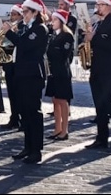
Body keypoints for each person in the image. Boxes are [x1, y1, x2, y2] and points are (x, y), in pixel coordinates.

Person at [2, 0, 49, 164]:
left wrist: (9, 32)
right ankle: (28, 146)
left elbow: (23, 44)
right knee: (25, 113)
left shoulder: (40, 29)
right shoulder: (25, 27)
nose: (24, 15)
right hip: (22, 73)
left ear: (35, 12)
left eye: (26, 12)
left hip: (33, 75)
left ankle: (36, 150)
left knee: (34, 113)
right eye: (22, 12)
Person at [84, 0, 111, 153]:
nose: (98, 7)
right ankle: (101, 138)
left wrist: (93, 38)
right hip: (96, 68)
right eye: (97, 4)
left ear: (109, 6)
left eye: (101, 4)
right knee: (99, 105)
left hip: (109, 68)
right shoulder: (98, 24)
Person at [45, 9, 74, 141]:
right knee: (55, 100)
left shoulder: (67, 36)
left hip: (62, 72)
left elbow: (64, 55)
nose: (52, 22)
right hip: (53, 72)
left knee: (62, 100)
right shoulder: (53, 36)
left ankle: (65, 130)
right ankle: (57, 128)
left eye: (55, 20)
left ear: (61, 22)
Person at [0, 4, 24, 131]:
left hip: (18, 64)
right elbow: (6, 45)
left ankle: (20, 118)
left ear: (20, 15)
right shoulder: (10, 27)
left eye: (15, 14)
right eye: (11, 14)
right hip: (9, 63)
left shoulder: (22, 27)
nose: (12, 17)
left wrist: (11, 32)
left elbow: (19, 43)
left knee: (19, 93)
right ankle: (14, 117)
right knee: (11, 93)